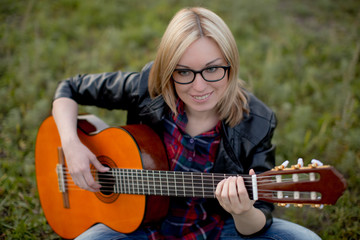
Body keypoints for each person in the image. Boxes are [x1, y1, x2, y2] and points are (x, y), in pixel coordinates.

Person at [52, 7, 321, 240]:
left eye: (213, 69)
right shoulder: (149, 87)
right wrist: (71, 144)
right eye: (183, 72)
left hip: (215, 229)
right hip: (137, 225)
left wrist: (243, 211)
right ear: (168, 70)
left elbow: (257, 220)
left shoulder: (256, 122)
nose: (199, 86)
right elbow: (69, 89)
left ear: (231, 64)